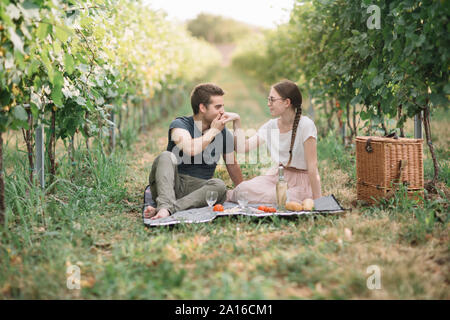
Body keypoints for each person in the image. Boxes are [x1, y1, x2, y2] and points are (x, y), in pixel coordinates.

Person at [144, 83, 243, 219]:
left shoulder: (222, 131)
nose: (223, 111)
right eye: (218, 107)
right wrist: (213, 131)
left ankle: (168, 208)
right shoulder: (179, 125)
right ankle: (166, 204)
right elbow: (190, 149)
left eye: (223, 106)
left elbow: (232, 165)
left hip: (197, 191)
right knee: (165, 156)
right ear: (202, 107)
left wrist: (243, 192)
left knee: (219, 185)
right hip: (170, 185)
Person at [225, 80, 322, 204]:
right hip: (278, 177)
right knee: (242, 189)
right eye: (268, 99)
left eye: (272, 100)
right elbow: (242, 148)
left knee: (277, 197)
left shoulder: (306, 125)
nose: (268, 103)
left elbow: (312, 167)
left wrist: (319, 201)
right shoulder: (271, 126)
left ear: (287, 102)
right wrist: (236, 121)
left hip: (301, 182)